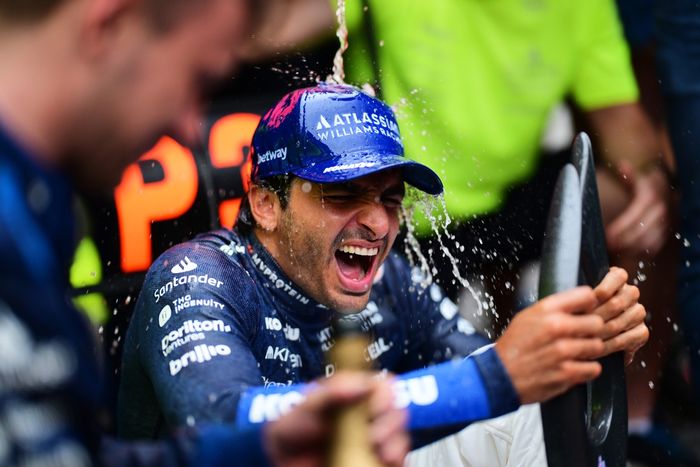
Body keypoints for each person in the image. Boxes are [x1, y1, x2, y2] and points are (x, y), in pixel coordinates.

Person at [118, 84, 648, 456]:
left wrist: (575, 347)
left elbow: (497, 380)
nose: (377, 223)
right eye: (342, 194)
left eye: (390, 199)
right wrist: (496, 376)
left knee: (528, 403)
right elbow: (221, 423)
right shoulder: (196, 276)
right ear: (265, 204)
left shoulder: (387, 279)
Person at [0, 1, 409, 465]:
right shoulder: (197, 272)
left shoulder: (35, 209)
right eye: (197, 79)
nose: (189, 128)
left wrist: (259, 447)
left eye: (388, 200)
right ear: (109, 24)